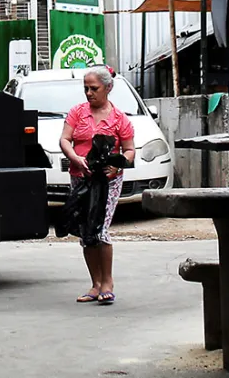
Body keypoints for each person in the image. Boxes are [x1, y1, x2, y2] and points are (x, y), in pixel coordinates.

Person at [59, 65, 135, 305]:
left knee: (100, 229)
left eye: (94, 88)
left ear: (108, 88)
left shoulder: (119, 119)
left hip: (108, 182)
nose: (89, 93)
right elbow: (65, 139)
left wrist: (118, 166)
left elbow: (130, 150)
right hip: (81, 178)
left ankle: (107, 282)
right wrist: (75, 158)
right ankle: (95, 283)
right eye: (86, 89)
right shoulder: (77, 113)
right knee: (86, 233)